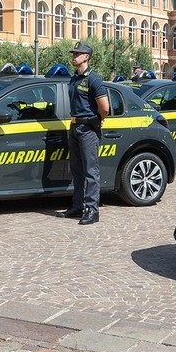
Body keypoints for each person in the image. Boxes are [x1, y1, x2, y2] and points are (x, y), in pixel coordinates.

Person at [61, 42, 108, 226]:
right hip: (74, 127)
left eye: (78, 54)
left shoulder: (93, 79)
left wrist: (96, 120)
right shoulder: (74, 78)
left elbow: (104, 107)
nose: (74, 56)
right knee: (76, 169)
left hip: (88, 128)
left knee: (90, 171)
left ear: (86, 57)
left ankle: (92, 210)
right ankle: (78, 205)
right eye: (74, 53)